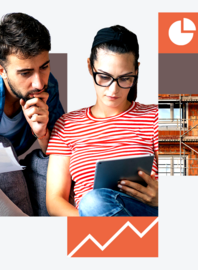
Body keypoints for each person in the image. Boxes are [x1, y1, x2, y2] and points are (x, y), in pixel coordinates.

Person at [46, 25, 159, 217]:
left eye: (125, 78)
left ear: (136, 71)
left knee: (93, 202)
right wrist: (91, 220)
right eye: (104, 77)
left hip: (146, 213)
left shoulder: (155, 117)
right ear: (90, 67)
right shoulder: (67, 124)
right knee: (93, 201)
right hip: (91, 219)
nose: (113, 90)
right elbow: (55, 201)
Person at [0, 13, 65, 216]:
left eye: (44, 67)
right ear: (1, 70)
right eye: (25, 73)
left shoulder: (48, 86)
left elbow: (60, 150)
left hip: (15, 166)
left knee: (53, 164)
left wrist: (42, 134)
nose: (39, 83)